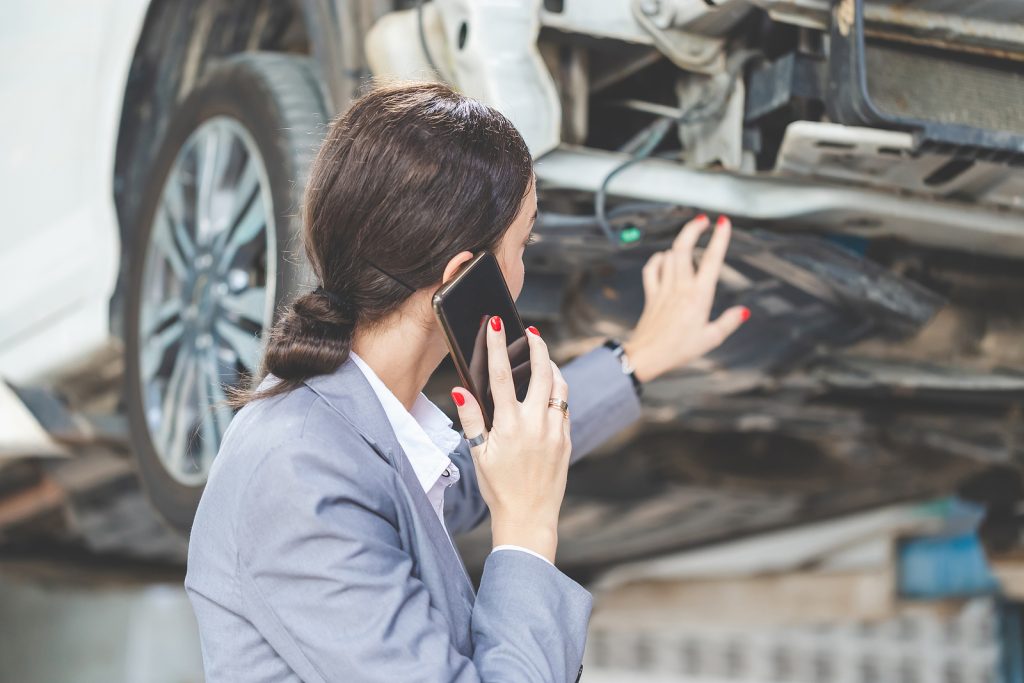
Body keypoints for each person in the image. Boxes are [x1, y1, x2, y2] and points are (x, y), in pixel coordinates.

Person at [184, 81, 748, 682]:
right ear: (464, 277)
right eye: (521, 244)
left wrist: (637, 359)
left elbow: (483, 472)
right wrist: (529, 528)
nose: (524, 273)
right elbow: (500, 485)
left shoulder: (344, 433)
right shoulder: (299, 470)